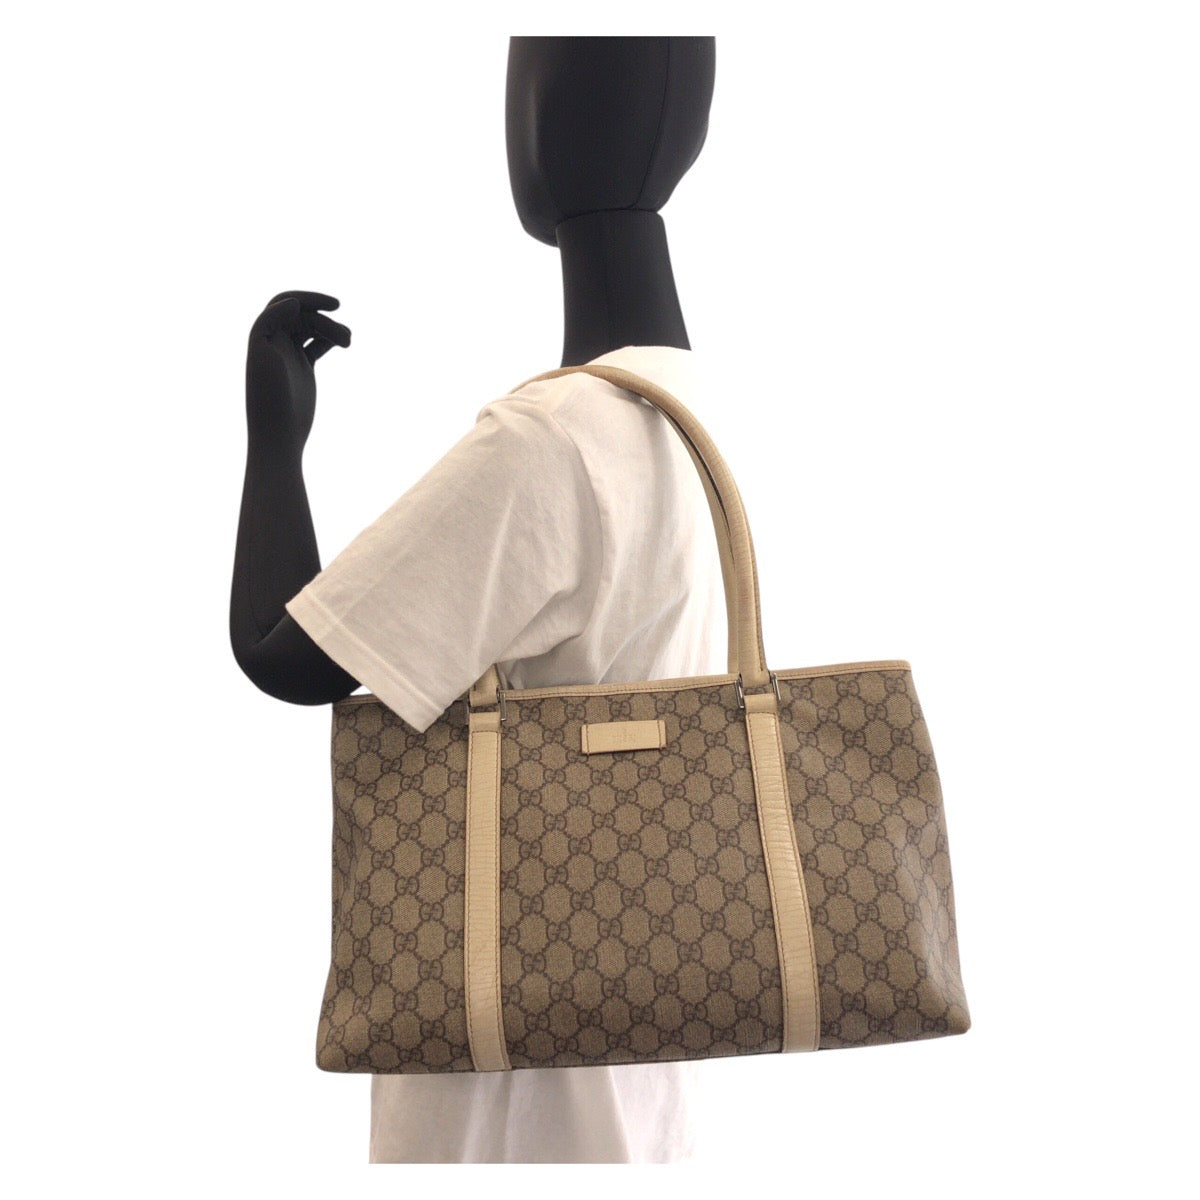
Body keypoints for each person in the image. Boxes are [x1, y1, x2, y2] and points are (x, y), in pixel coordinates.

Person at [230, 36, 721, 1163]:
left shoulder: (553, 439)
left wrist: (274, 439)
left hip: (506, 1101)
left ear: (544, 123)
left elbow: (283, 654)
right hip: (644, 1088)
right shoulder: (701, 414)